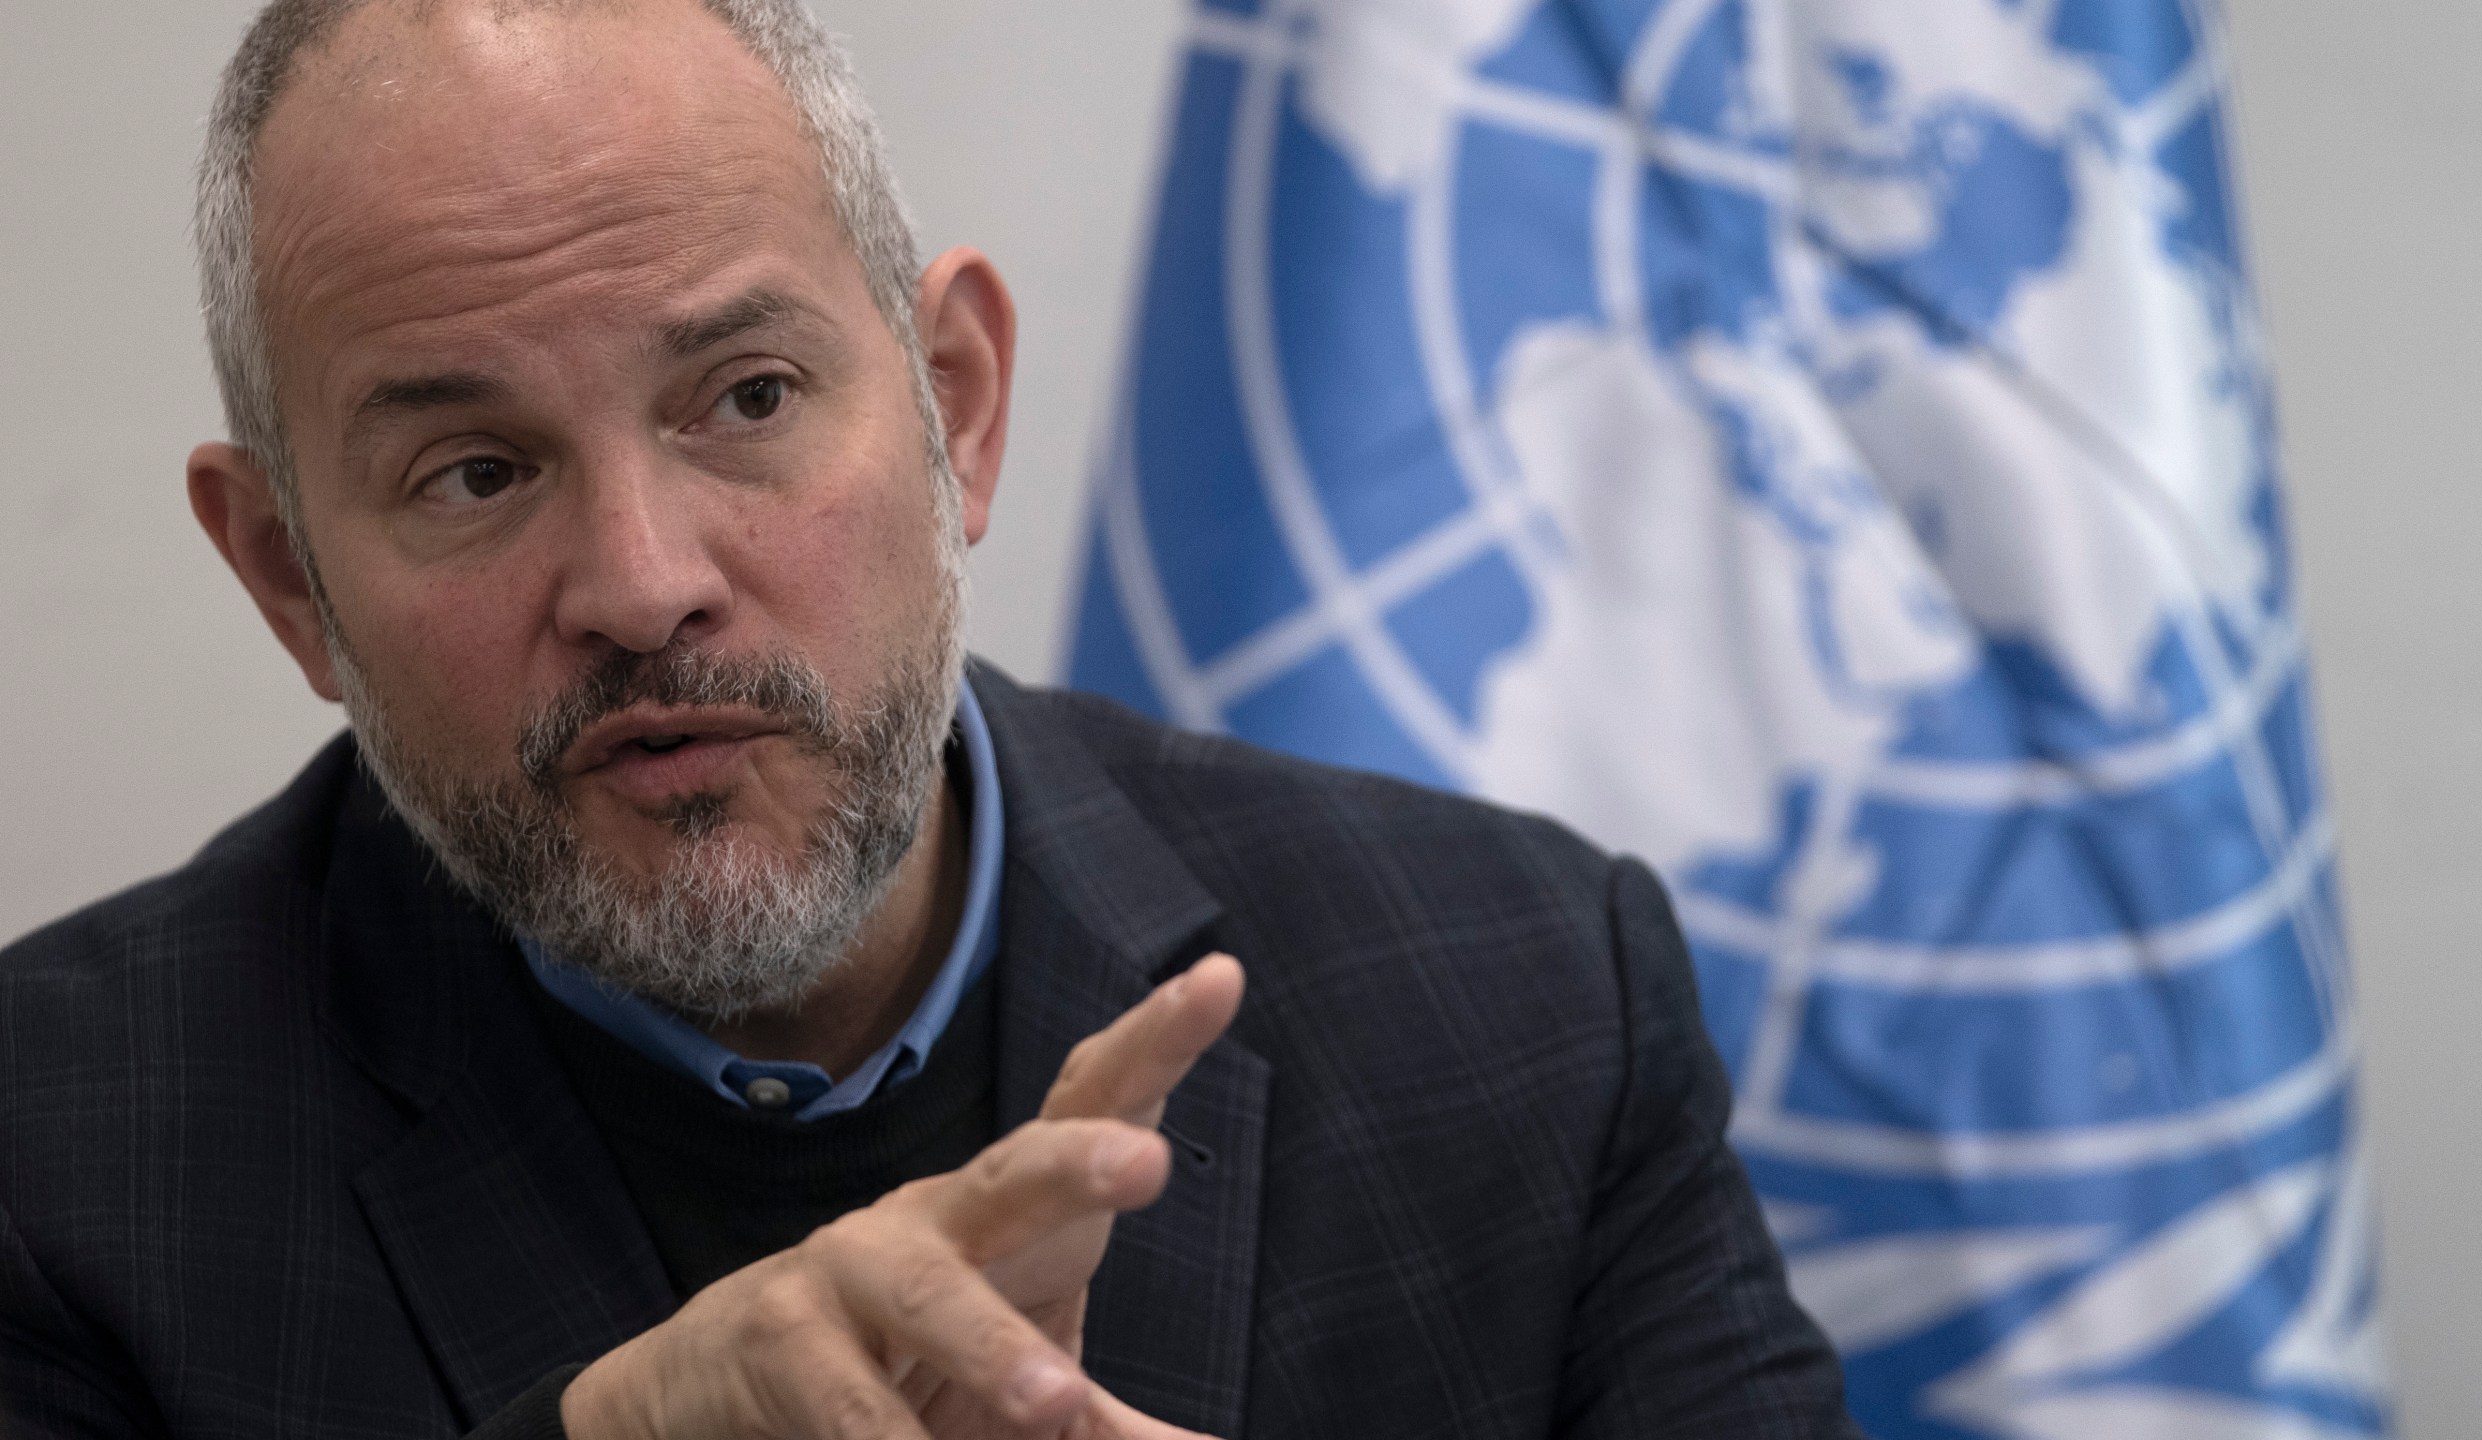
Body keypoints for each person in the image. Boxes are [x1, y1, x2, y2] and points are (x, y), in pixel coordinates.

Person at [0, 0, 1859, 1435]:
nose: (642, 583)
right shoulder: (59, 1166)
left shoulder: (1532, 998)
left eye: (743, 398)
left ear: (957, 405)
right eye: (476, 472)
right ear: (287, 577)